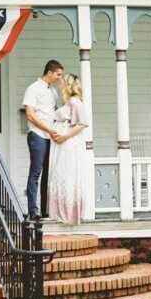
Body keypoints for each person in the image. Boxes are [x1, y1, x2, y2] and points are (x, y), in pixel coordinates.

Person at [47, 74, 92, 224]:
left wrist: (64, 136)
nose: (60, 85)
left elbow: (81, 124)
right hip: (61, 145)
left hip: (69, 145)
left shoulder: (75, 102)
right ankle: (60, 212)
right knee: (60, 173)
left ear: (68, 85)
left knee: (67, 174)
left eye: (62, 83)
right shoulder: (67, 103)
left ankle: (68, 213)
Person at [22, 60, 63, 219]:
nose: (59, 78)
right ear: (50, 72)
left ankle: (46, 210)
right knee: (36, 172)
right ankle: (33, 210)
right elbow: (30, 115)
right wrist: (48, 130)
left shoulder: (53, 91)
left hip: (51, 137)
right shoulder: (33, 89)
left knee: (48, 174)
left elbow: (54, 113)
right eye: (58, 74)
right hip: (38, 135)